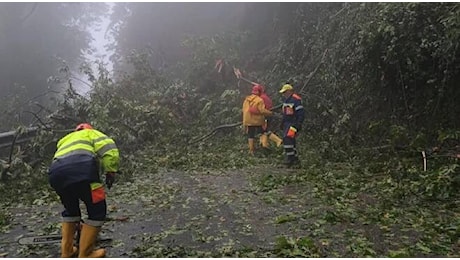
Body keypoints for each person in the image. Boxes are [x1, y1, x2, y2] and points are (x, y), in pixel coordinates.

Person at [48, 123, 119, 258]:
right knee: (97, 211)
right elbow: (110, 149)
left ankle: (67, 251)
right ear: (88, 129)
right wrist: (110, 171)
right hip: (84, 172)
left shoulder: (65, 139)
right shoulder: (90, 133)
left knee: (71, 210)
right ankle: (85, 254)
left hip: (56, 175)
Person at [242, 85, 273, 155]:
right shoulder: (259, 100)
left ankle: (251, 150)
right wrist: (270, 113)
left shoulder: (246, 100)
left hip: (248, 120)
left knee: (251, 134)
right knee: (263, 132)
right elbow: (262, 110)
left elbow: (244, 110)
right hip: (257, 120)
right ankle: (264, 145)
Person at [279, 84, 305, 167]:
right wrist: (282, 123)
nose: (284, 94)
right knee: (291, 141)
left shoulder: (296, 100)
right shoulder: (286, 100)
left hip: (293, 123)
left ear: (290, 91)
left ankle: (290, 159)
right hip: (287, 123)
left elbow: (300, 113)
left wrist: (298, 124)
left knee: (288, 138)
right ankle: (295, 159)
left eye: (285, 92)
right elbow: (285, 113)